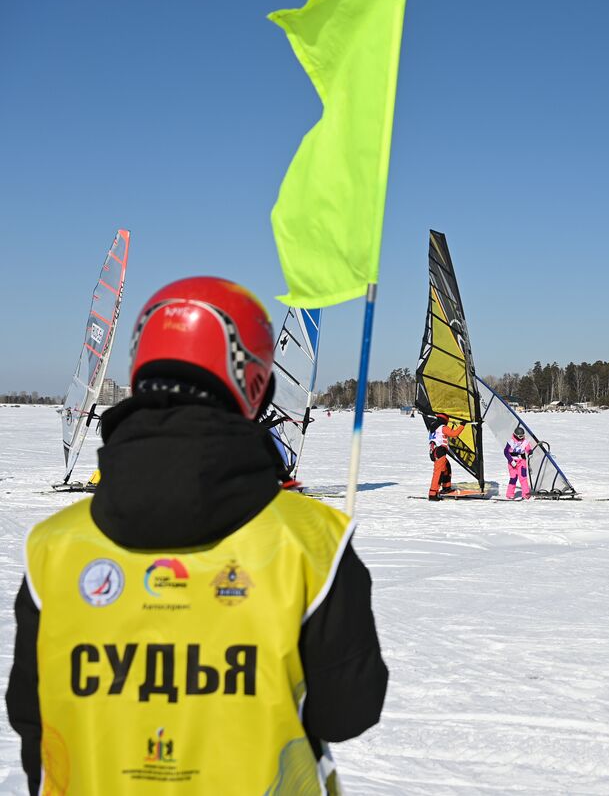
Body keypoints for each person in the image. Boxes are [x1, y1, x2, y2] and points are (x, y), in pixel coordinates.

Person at [5, 277, 387, 795]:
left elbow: (33, 718)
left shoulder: (55, 547)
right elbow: (347, 711)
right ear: (255, 386)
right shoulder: (312, 543)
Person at [427, 412, 466, 500]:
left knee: (447, 468)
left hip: (434, 452)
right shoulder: (442, 427)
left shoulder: (433, 426)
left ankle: (446, 488)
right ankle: (433, 493)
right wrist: (462, 425)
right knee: (438, 473)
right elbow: (454, 434)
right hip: (439, 451)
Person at [504, 425, 533, 500]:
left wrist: (530, 452)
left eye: (522, 436)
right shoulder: (511, 442)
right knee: (513, 478)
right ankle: (510, 494)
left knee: (523, 478)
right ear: (516, 435)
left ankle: (526, 494)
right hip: (512, 463)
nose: (521, 438)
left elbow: (528, 448)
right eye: (520, 436)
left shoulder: (525, 442)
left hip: (521, 462)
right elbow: (506, 452)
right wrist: (511, 461)